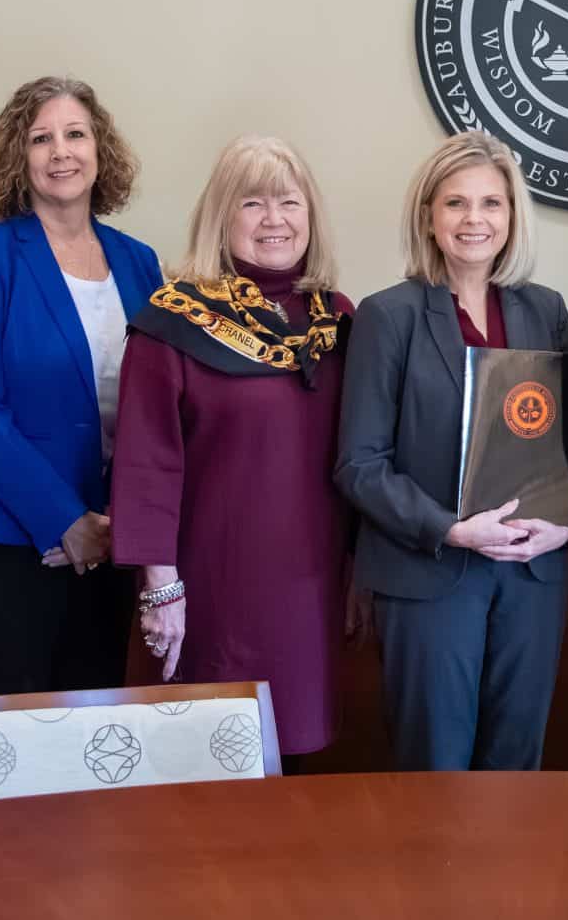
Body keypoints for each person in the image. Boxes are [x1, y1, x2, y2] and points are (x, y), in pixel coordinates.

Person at [334, 132, 568, 770]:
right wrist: (452, 529)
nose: (476, 220)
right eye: (457, 204)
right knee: (435, 768)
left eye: (492, 204)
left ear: (512, 216)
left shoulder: (545, 310)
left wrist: (561, 527)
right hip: (430, 577)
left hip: (531, 575)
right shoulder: (388, 317)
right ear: (429, 218)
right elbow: (359, 464)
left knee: (516, 762)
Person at [112, 136, 358, 762]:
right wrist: (161, 590)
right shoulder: (171, 326)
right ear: (222, 217)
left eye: (289, 202)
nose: (274, 220)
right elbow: (147, 465)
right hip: (212, 586)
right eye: (252, 203)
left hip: (313, 584)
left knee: (302, 756)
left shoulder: (341, 322)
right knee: (213, 757)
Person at [0, 77, 160, 698]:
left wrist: (117, 522)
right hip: (4, 542)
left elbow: (156, 407)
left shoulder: (139, 261)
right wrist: (64, 520)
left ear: (99, 149)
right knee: (8, 750)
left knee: (90, 739)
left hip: (110, 539)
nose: (61, 151)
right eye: (41, 138)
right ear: (18, 156)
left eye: (75, 134)